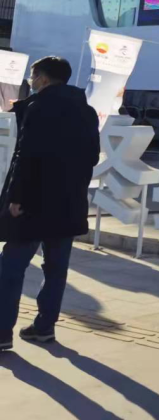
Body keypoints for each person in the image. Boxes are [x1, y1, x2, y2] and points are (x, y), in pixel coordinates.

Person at [0, 56, 99, 352]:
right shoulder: (86, 111)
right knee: (56, 268)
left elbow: (26, 155)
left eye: (33, 76)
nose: (31, 82)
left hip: (33, 201)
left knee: (10, 268)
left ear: (43, 78)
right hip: (68, 201)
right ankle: (44, 328)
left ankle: (2, 332)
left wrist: (17, 197)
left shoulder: (39, 107)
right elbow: (92, 156)